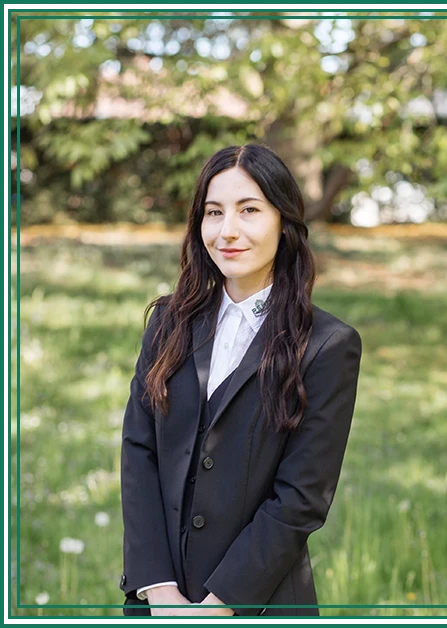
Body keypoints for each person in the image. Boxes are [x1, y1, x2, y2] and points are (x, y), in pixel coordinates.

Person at [119, 143, 362, 617]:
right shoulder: (168, 322)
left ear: (283, 222)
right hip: (158, 603)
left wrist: (217, 607)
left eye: (249, 210)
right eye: (214, 212)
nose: (227, 230)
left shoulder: (327, 346)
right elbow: (139, 451)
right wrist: (158, 589)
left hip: (259, 605)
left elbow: (300, 499)